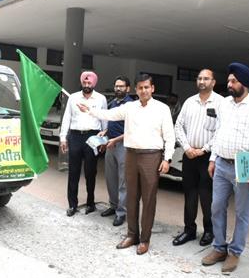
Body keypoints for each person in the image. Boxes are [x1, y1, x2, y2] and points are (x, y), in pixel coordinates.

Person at [78, 73, 175, 255]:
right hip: (131, 154)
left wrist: (166, 159)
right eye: (140, 88)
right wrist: (89, 110)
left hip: (151, 157)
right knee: (131, 197)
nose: (144, 90)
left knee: (148, 200)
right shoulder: (129, 107)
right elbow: (109, 114)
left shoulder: (162, 109)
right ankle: (132, 234)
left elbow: (170, 136)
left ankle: (145, 239)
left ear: (152, 88)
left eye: (147, 87)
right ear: (136, 89)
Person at [201, 62, 249, 273]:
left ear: (245, 84)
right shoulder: (224, 104)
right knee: (216, 207)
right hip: (222, 162)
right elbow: (218, 132)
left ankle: (235, 252)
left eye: (234, 81)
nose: (229, 84)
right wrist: (213, 159)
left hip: (245, 165)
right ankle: (219, 247)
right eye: (229, 80)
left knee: (242, 213)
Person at [173, 69, 222, 247]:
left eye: (206, 78)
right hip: (189, 155)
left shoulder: (220, 103)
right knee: (189, 194)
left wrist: (204, 149)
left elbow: (221, 131)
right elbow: (179, 126)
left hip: (208, 157)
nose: (202, 81)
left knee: (206, 196)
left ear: (213, 82)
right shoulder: (189, 102)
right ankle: (189, 230)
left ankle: (209, 231)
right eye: (200, 78)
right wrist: (186, 147)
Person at [60, 71, 107, 217]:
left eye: (90, 83)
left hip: (92, 137)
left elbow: (105, 120)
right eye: (85, 83)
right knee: (73, 172)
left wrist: (104, 137)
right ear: (81, 82)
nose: (87, 85)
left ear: (94, 83)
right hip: (75, 137)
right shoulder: (73, 98)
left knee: (90, 172)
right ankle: (72, 205)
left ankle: (90, 203)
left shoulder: (101, 99)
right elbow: (67, 117)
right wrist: (63, 137)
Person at [98, 76, 133, 226]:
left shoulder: (132, 105)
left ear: (128, 88)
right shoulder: (113, 103)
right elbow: (112, 122)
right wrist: (105, 131)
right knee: (110, 178)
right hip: (110, 144)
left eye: (121, 86)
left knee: (123, 181)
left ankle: (121, 212)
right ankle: (113, 206)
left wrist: (115, 140)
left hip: (124, 146)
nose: (118, 89)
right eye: (116, 86)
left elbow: (133, 130)